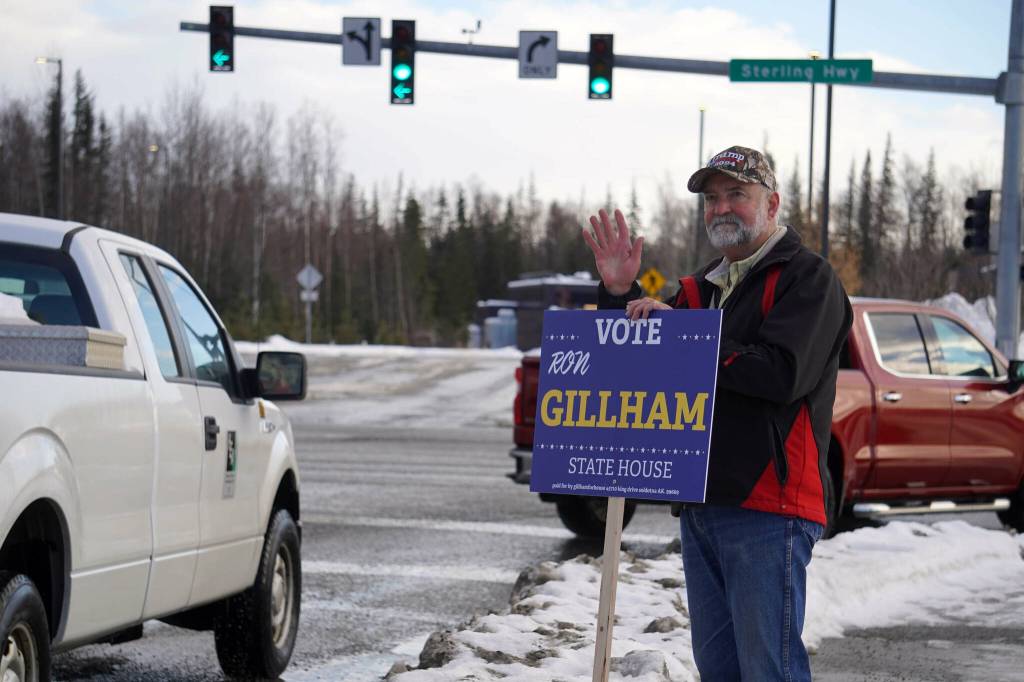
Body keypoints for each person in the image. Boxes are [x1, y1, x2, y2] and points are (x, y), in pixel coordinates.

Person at [582, 145, 852, 681]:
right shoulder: (703, 287)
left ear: (771, 203)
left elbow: (781, 374)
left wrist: (686, 335)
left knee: (767, 669)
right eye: (711, 198)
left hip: (768, 507)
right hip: (701, 501)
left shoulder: (808, 279)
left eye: (737, 195)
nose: (721, 207)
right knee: (720, 672)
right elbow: (643, 361)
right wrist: (619, 293)